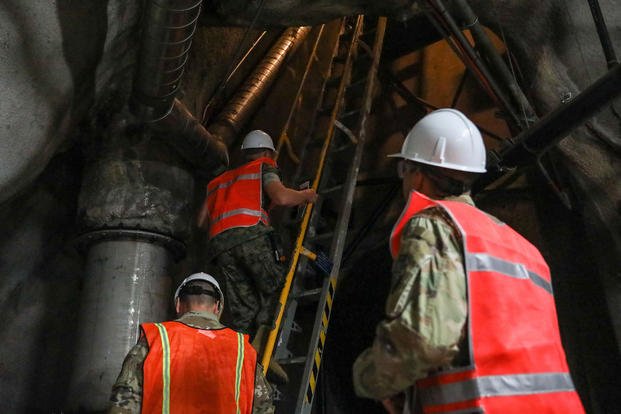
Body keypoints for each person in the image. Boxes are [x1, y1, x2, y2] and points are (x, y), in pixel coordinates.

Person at [352, 109, 584, 413]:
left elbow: (425, 340)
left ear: (418, 174)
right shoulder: (523, 248)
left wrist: (370, 378)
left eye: (404, 170)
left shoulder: (435, 225)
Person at [197, 130, 317, 343]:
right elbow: (280, 196)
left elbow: (200, 222)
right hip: (251, 234)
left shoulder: (218, 182)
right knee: (277, 286)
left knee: (244, 309)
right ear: (269, 152)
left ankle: (248, 355)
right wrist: (305, 196)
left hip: (220, 247)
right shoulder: (264, 166)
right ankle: (269, 336)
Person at [108, 272, 274, 414]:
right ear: (217, 307)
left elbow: (123, 402)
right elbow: (263, 407)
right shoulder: (243, 349)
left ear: (179, 304)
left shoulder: (157, 338)